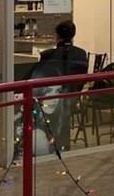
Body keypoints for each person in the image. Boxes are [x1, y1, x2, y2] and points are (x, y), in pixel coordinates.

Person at [33, 20, 91, 152]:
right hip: (74, 98)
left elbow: (41, 80)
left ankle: (48, 143)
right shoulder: (81, 54)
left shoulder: (48, 55)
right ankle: (62, 144)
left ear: (56, 36)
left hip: (51, 101)